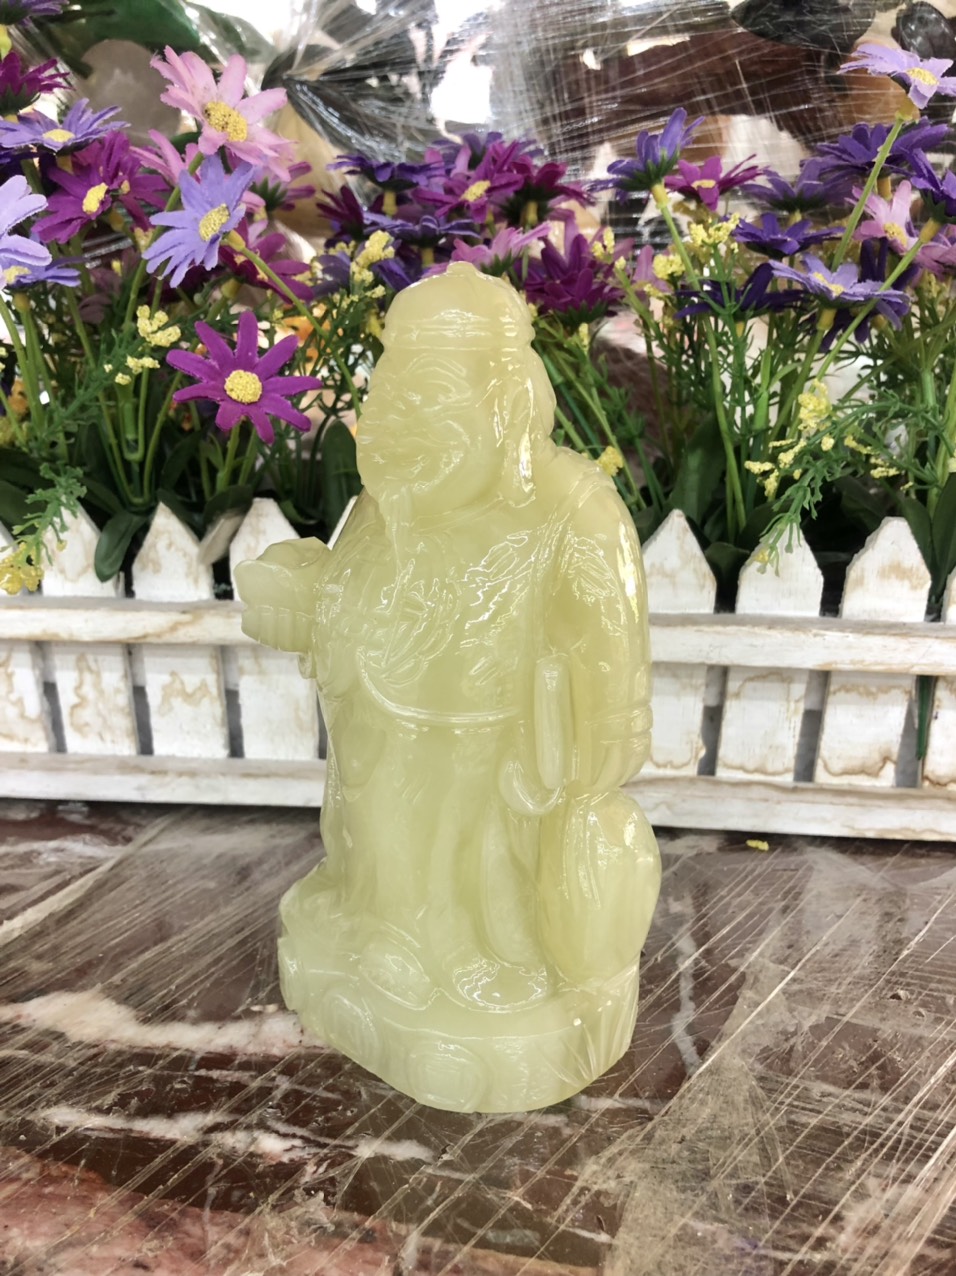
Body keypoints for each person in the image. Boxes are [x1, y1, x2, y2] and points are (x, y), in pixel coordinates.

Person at [236, 262, 660, 1112]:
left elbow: (609, 649)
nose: (394, 423)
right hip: (381, 740)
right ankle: (381, 929)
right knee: (376, 835)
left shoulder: (572, 506)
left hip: (502, 765)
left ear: (505, 404)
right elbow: (348, 596)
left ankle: (478, 957)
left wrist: (594, 737)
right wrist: (306, 591)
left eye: (428, 397)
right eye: (387, 397)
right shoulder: (385, 500)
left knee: (475, 869)